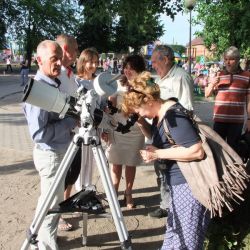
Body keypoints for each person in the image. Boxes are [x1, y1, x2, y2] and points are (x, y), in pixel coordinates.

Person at [122, 71, 210, 249]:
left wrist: (158, 154)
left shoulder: (173, 116)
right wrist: (140, 121)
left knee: (186, 242)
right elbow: (156, 138)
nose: (138, 113)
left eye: (138, 109)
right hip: (177, 186)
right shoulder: (160, 115)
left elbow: (196, 151)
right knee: (173, 238)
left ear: (149, 100)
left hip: (189, 188)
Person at [23, 40, 79, 250]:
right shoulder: (38, 92)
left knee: (50, 200)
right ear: (39, 60)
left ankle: (40, 237)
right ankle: (44, 245)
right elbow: (39, 134)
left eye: (59, 58)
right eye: (53, 59)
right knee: (51, 204)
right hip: (51, 155)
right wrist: (69, 122)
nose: (58, 64)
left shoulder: (51, 84)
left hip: (58, 152)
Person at [149, 45, 194, 218]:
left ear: (166, 59)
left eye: (154, 61)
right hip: (159, 133)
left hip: (175, 136)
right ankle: (166, 204)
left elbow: (187, 109)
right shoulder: (161, 79)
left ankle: (175, 206)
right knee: (161, 169)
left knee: (175, 172)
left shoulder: (181, 77)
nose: (152, 65)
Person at [105, 55, 145, 209]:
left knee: (131, 163)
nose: (127, 71)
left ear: (139, 70)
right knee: (115, 163)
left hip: (135, 130)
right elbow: (110, 107)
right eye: (126, 68)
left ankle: (128, 192)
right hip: (117, 128)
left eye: (131, 68)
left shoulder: (144, 86)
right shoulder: (117, 83)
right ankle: (113, 193)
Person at [205, 46, 250, 150]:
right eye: (225, 59)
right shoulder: (219, 74)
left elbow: (249, 101)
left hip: (236, 122)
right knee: (217, 149)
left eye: (231, 59)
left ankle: (234, 166)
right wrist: (212, 84)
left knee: (233, 150)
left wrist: (249, 119)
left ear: (238, 60)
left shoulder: (247, 76)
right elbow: (207, 94)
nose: (228, 62)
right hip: (219, 120)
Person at [55, 34, 79, 231]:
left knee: (72, 173)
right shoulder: (55, 74)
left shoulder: (69, 74)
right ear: (65, 50)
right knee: (59, 177)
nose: (76, 53)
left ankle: (63, 206)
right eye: (75, 49)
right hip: (60, 133)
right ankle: (56, 217)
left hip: (72, 131)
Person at [74, 48, 100, 192]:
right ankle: (79, 192)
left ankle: (89, 191)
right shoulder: (77, 81)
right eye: (91, 62)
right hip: (81, 128)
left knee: (91, 162)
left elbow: (101, 104)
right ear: (83, 62)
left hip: (95, 128)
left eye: (96, 62)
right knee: (80, 162)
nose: (94, 65)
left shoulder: (97, 81)